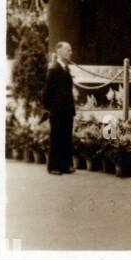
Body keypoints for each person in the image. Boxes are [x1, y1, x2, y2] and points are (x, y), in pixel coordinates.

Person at [43, 41, 76, 175]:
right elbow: (47, 91)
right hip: (57, 110)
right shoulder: (54, 69)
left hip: (67, 110)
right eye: (68, 50)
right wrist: (48, 108)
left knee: (66, 137)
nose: (70, 52)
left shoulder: (66, 69)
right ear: (60, 52)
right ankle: (54, 167)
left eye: (70, 50)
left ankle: (65, 165)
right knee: (56, 137)